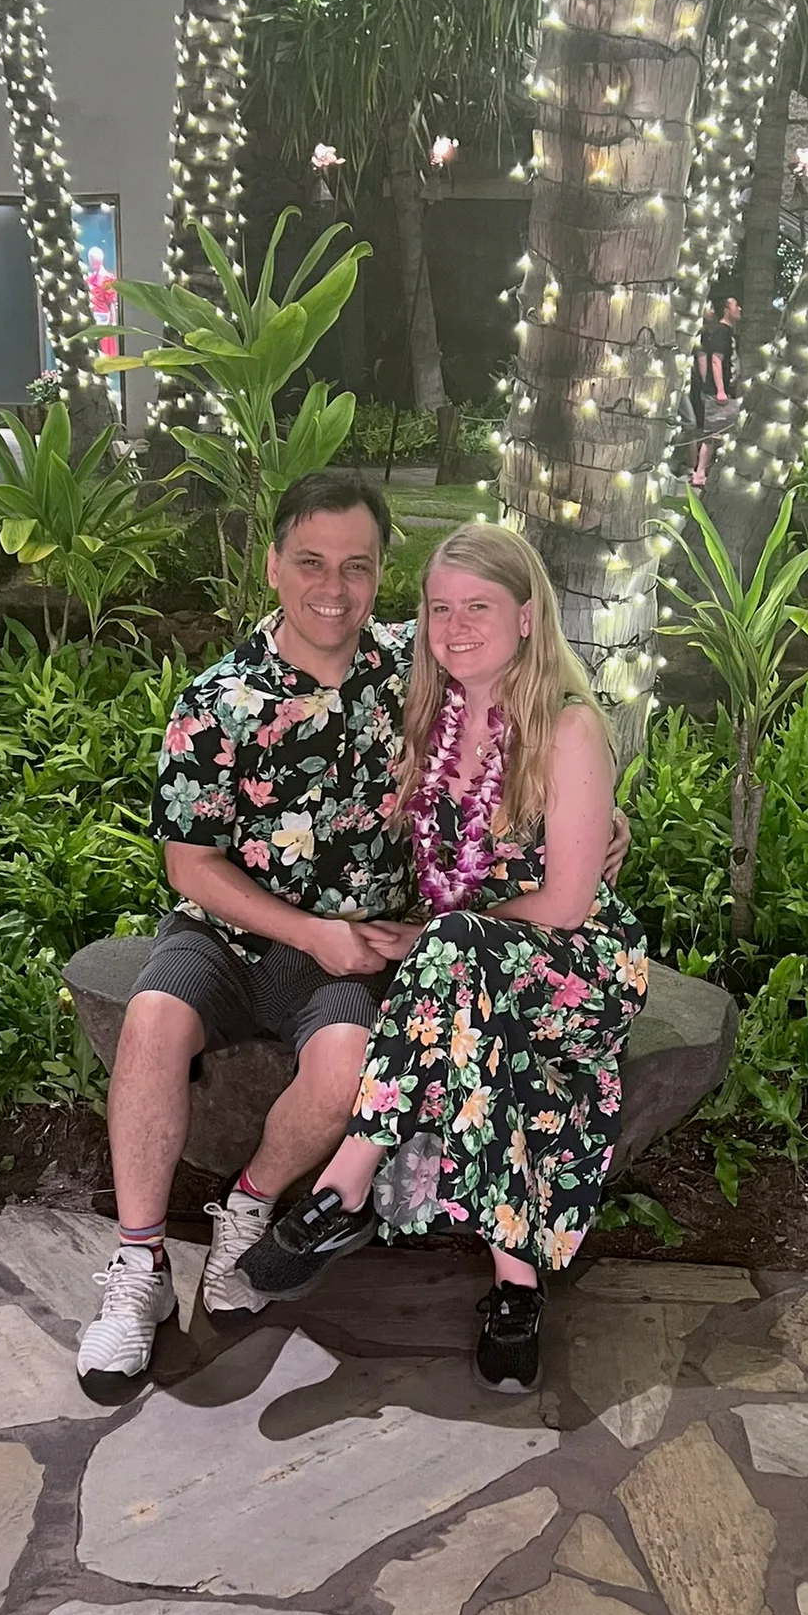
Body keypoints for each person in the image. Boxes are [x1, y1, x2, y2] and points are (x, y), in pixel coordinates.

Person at [76, 472, 629, 1398]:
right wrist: (308, 931)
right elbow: (189, 865)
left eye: (357, 566)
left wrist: (601, 821)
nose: (332, 588)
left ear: (379, 575)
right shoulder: (218, 700)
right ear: (273, 566)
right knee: (151, 1023)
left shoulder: (412, 667)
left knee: (344, 1067)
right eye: (310, 562)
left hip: (363, 945)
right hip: (231, 932)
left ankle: (255, 1209)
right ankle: (138, 1268)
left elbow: (525, 709)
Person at [237, 524, 650, 1395]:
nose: (455, 628)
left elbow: (566, 905)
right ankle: (516, 1292)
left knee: (457, 964)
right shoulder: (430, 711)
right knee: (471, 1035)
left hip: (576, 967)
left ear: (528, 616)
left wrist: (436, 938)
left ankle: (346, 1181)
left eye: (479, 608)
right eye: (439, 609)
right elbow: (319, 632)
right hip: (467, 969)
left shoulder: (568, 727)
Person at [695, 295, 741, 488]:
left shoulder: (728, 332)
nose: (739, 309)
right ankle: (700, 473)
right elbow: (715, 360)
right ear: (726, 311)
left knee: (717, 435)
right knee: (715, 435)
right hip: (717, 392)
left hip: (725, 390)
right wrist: (720, 390)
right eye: (735, 306)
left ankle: (705, 472)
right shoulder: (721, 332)